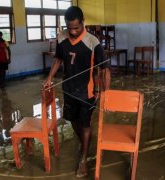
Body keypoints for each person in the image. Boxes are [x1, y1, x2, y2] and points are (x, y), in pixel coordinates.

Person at [43, 6, 111, 178]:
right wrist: (50, 77)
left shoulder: (92, 42)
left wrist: (106, 92)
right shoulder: (62, 38)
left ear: (83, 23)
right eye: (69, 28)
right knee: (72, 121)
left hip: (87, 92)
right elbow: (58, 59)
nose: (72, 31)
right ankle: (85, 144)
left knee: (85, 123)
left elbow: (105, 69)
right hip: (69, 90)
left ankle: (83, 159)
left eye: (76, 28)